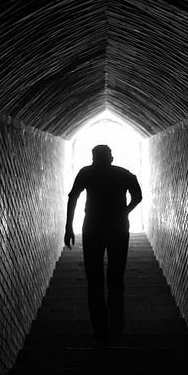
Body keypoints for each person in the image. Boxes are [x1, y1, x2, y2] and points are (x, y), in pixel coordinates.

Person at [65, 144, 142, 345]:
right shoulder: (123, 174)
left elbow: (73, 196)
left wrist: (68, 227)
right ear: (110, 158)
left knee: (94, 281)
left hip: (92, 228)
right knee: (116, 279)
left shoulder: (87, 172)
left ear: (94, 158)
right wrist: (125, 211)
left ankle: (100, 330)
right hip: (118, 229)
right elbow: (138, 196)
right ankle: (116, 327)